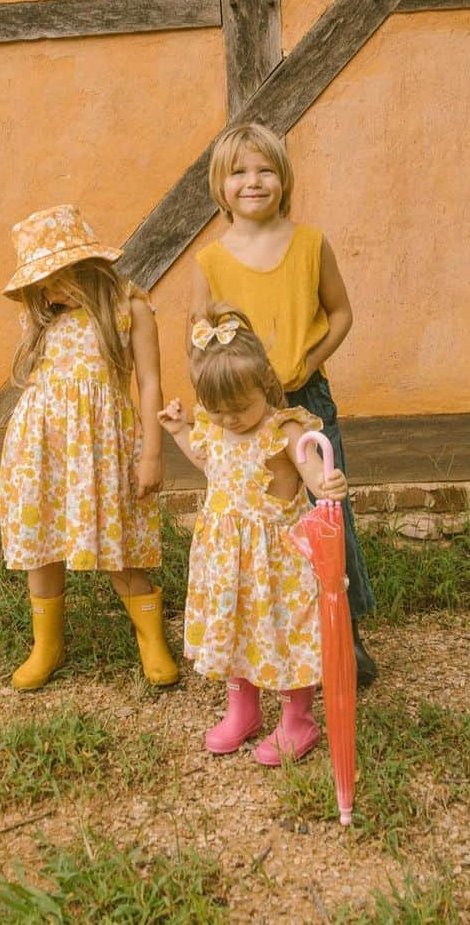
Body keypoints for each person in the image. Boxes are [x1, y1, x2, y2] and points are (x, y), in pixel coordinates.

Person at [188, 121, 378, 686]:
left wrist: (307, 360)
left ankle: (345, 634)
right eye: (239, 172)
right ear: (221, 188)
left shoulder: (311, 244)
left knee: (327, 514)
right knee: (262, 522)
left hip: (304, 399)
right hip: (246, 416)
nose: (253, 181)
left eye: (265, 170)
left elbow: (340, 313)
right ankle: (265, 634)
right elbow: (201, 342)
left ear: (283, 179)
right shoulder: (210, 263)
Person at [0, 204, 177, 691]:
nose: (50, 293)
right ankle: (47, 645)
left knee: (119, 545)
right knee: (43, 546)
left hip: (103, 450)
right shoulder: (45, 321)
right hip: (42, 451)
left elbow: (150, 383)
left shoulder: (130, 309)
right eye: (41, 287)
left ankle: (151, 640)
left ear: (88, 267)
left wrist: (152, 452)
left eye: (56, 280)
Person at [158, 306, 347, 764]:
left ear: (263, 381)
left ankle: (297, 718)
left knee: (282, 634)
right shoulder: (217, 427)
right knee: (235, 628)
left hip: (274, 561)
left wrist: (326, 483)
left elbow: (309, 468)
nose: (231, 420)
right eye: (218, 412)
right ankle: (242, 709)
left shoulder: (283, 430)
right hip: (226, 560)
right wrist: (183, 430)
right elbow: (210, 463)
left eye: (240, 408)